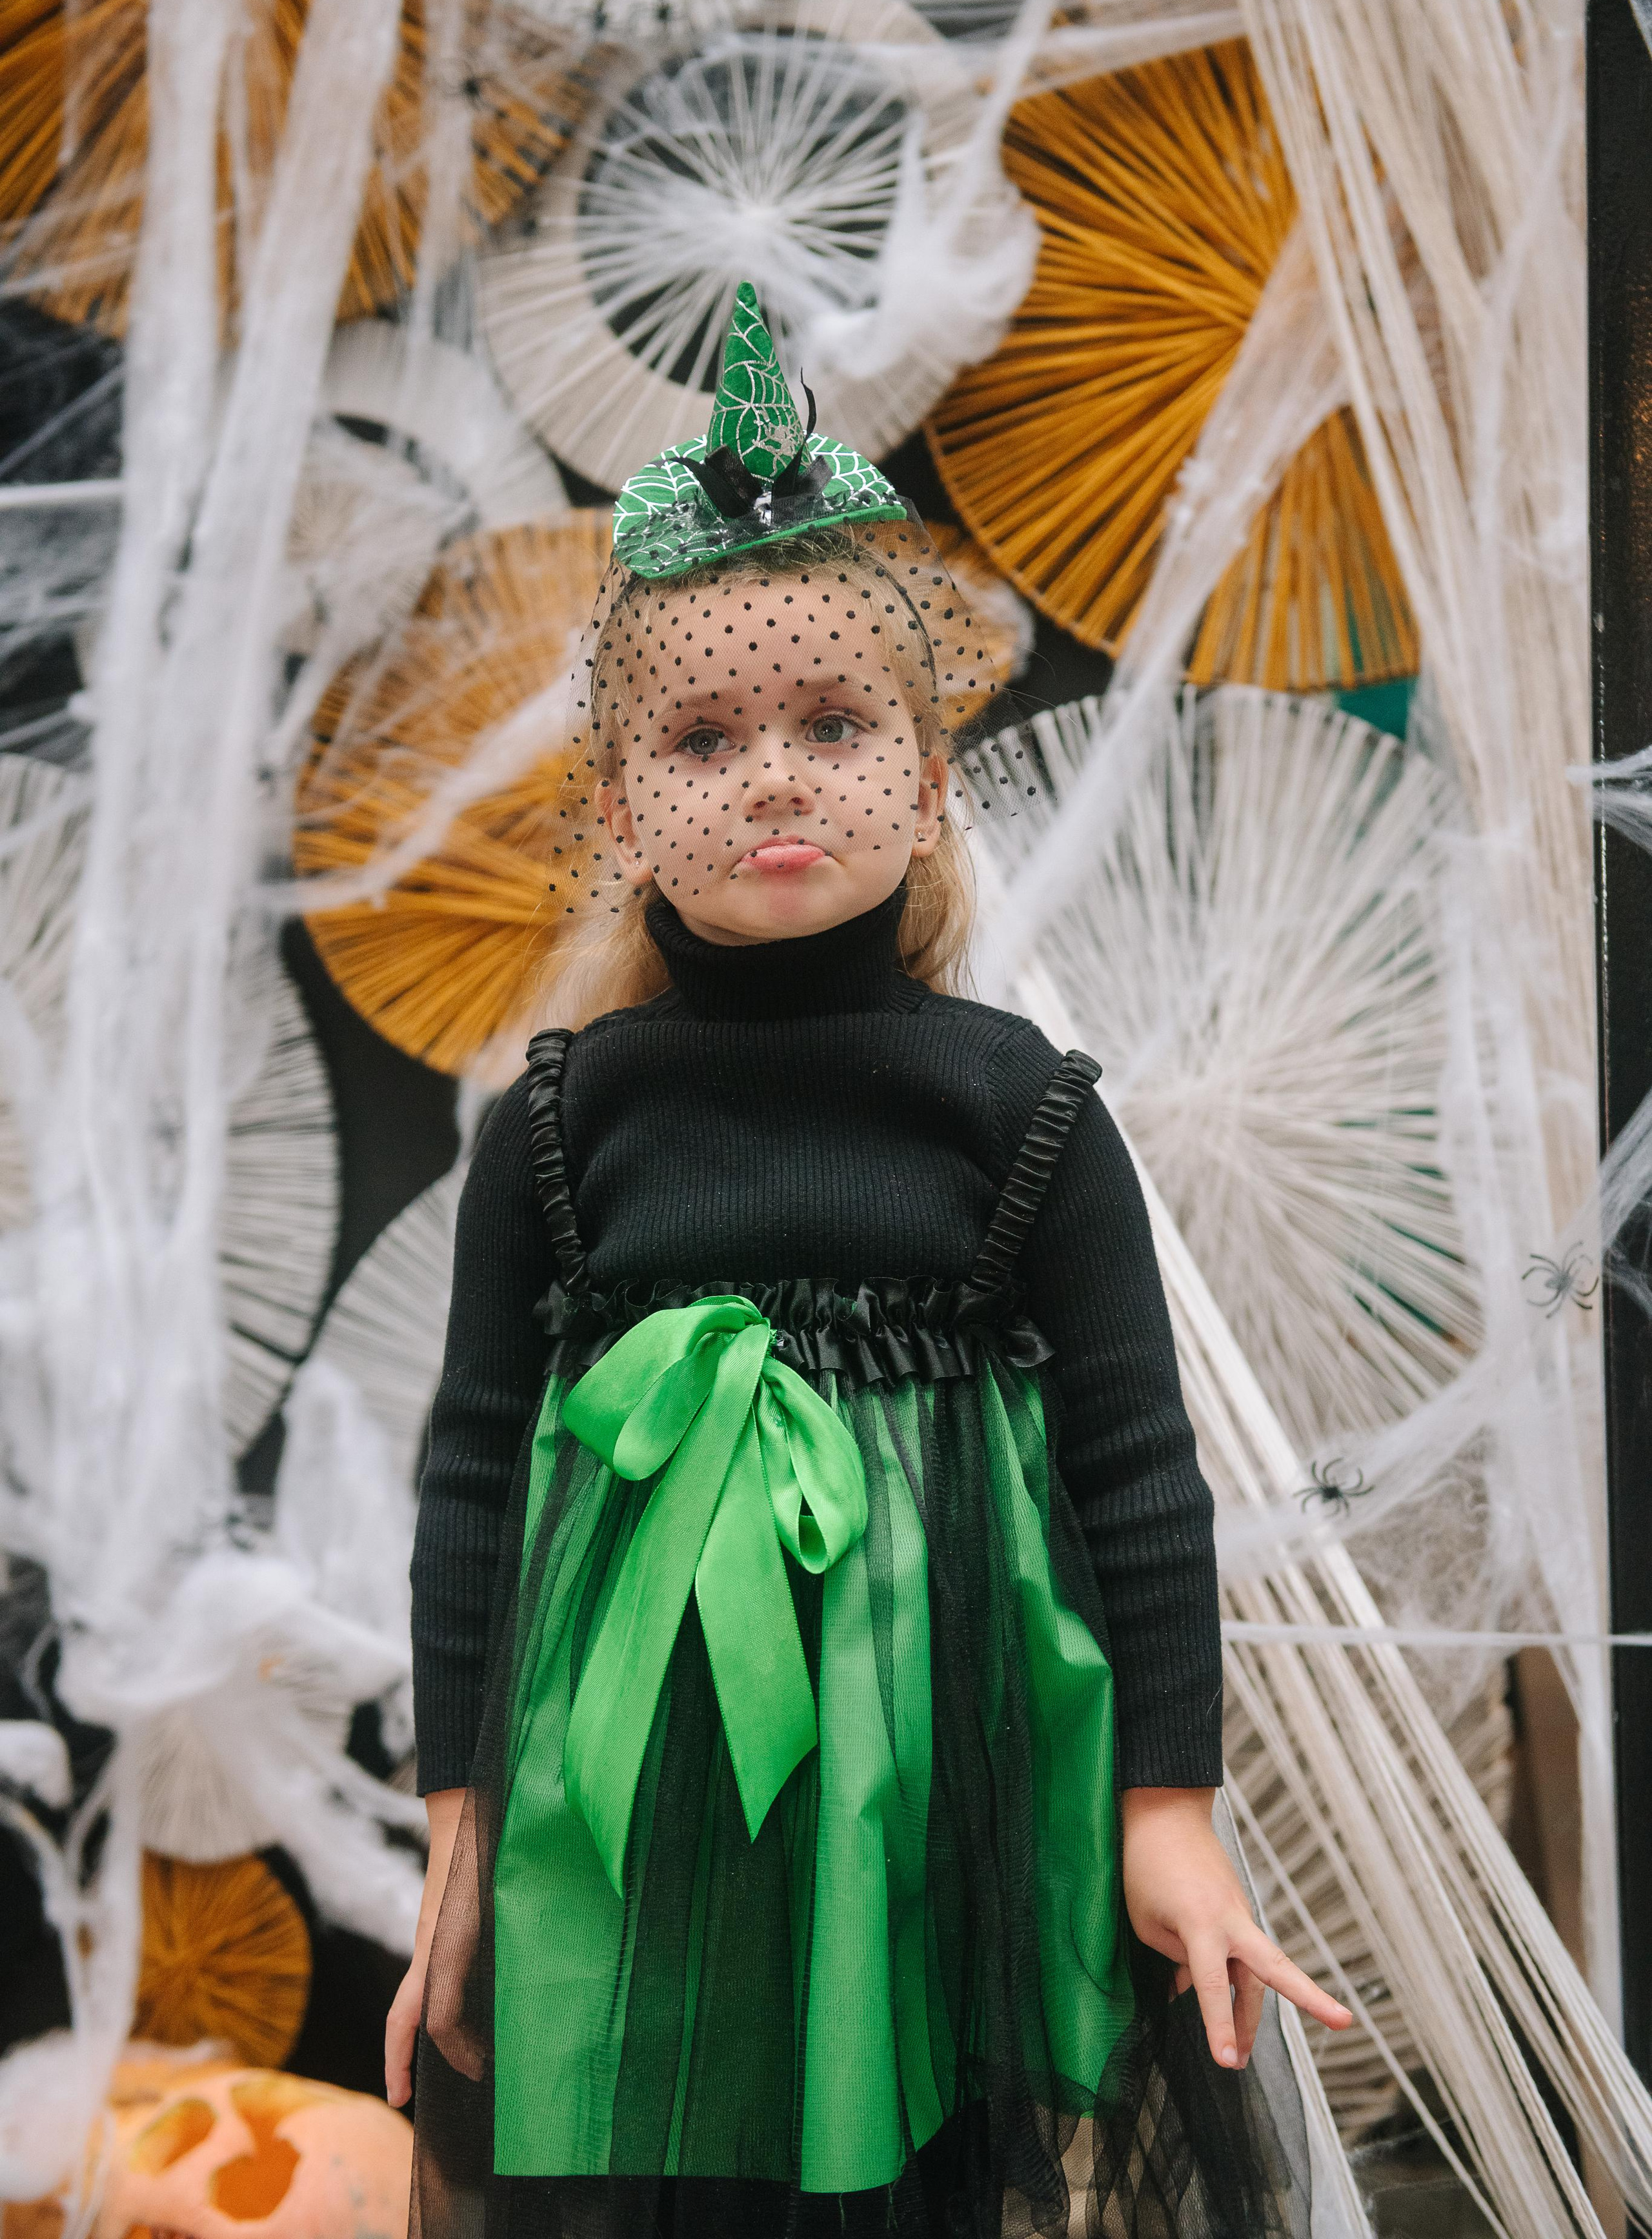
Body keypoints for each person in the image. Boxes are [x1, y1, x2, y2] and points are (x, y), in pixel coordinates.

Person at [387, 285, 1350, 2238]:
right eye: (707, 734)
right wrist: (460, 1835)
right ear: (621, 805)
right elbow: (476, 1480)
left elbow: (1140, 1479)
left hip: (928, 1797)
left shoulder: (1021, 1116)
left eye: (835, 723)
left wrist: (1169, 1812)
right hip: (628, 1796)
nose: (773, 776)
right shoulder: (563, 1132)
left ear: (925, 782)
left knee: (893, 2164)